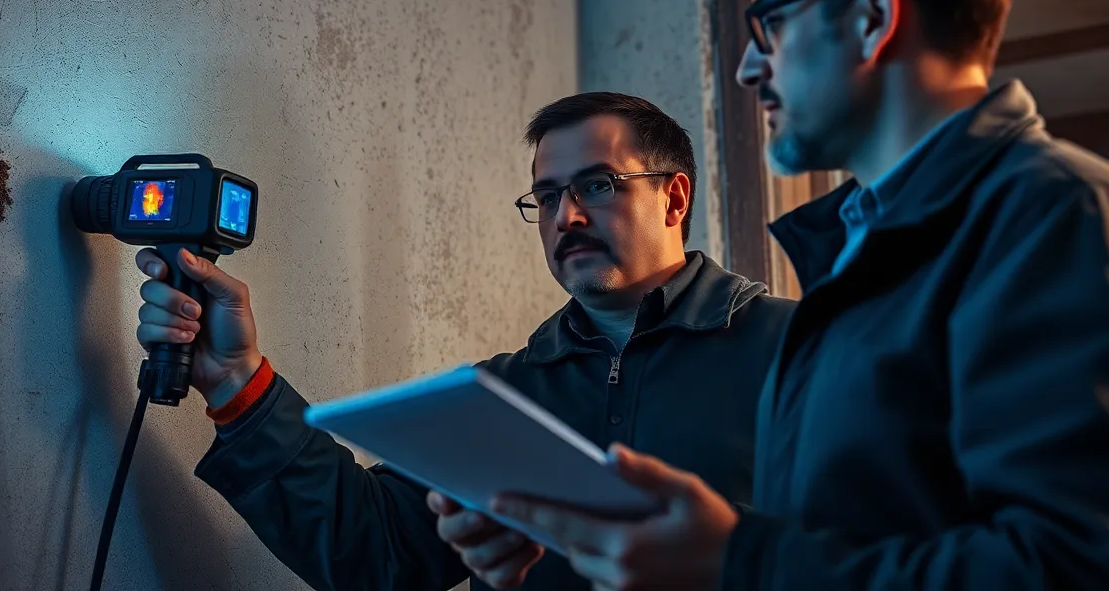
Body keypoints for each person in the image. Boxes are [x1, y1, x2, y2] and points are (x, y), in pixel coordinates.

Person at [486, 0, 1109, 591]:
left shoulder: (1051, 215)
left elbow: (1069, 568)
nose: (751, 67)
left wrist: (733, 560)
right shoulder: (858, 257)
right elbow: (849, 540)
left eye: (771, 24)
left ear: (874, 16)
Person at [132, 92, 795, 590]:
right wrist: (237, 386)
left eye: (598, 184)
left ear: (674, 199)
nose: (568, 216)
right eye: (548, 195)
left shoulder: (798, 352)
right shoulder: (505, 397)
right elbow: (376, 551)